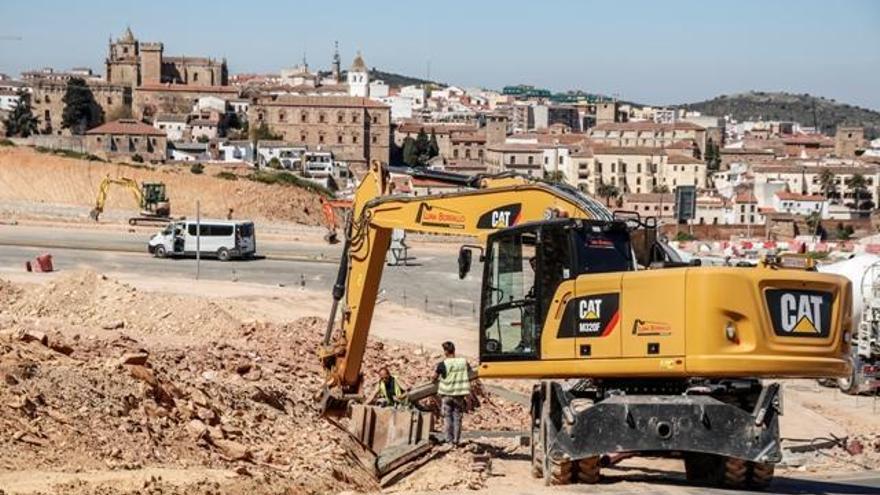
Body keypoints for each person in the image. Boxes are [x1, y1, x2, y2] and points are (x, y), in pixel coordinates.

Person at [434, 341, 472, 446]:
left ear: (445, 351)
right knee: (457, 418)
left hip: (446, 395)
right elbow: (470, 372)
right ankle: (456, 440)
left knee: (447, 418)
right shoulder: (463, 362)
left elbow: (434, 377)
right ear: (454, 350)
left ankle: (448, 441)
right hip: (459, 395)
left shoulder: (443, 364)